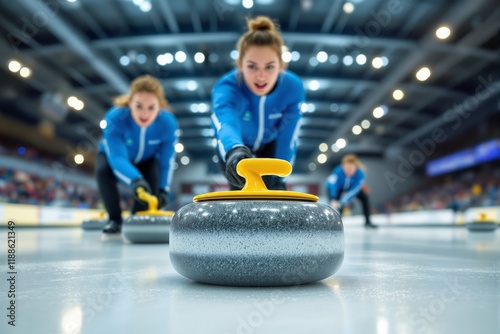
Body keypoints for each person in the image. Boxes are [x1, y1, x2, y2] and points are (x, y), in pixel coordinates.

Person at [211, 16, 305, 190]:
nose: (261, 77)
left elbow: (289, 136)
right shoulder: (226, 88)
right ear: (240, 65)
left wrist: (280, 177)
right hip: (234, 145)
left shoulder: (293, 88)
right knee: (240, 190)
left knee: (272, 191)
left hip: (270, 144)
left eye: (269, 67)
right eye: (252, 67)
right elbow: (226, 123)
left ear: (281, 66)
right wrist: (234, 149)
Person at [96, 75, 178, 233]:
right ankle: (114, 219)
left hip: (147, 161)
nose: (144, 114)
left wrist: (163, 189)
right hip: (113, 158)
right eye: (139, 106)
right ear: (129, 103)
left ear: (160, 106)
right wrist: (136, 180)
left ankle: (136, 218)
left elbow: (166, 162)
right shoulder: (115, 118)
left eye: (151, 107)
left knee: (152, 186)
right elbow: (117, 157)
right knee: (102, 172)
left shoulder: (168, 123)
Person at [326, 154, 376, 228]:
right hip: (337, 188)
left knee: (365, 197)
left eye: (350, 168)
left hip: (351, 188)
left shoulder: (361, 174)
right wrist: (333, 198)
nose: (348, 171)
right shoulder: (337, 171)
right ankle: (336, 223)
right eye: (346, 168)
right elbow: (334, 185)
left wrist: (343, 201)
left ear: (355, 167)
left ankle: (367, 222)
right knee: (335, 203)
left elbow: (355, 190)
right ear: (343, 167)